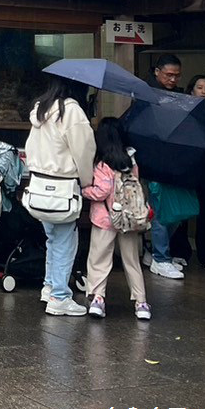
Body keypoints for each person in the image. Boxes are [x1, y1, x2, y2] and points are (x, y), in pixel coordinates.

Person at [24, 75, 95, 317]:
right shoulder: (71, 111)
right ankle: (60, 296)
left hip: (40, 185)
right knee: (66, 242)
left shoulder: (41, 108)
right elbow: (84, 150)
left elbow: (32, 148)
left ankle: (49, 286)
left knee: (52, 240)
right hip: (64, 187)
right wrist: (87, 181)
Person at [82, 118, 151, 320]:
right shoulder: (131, 160)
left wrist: (85, 190)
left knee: (99, 260)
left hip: (105, 219)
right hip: (129, 220)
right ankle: (141, 303)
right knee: (132, 261)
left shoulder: (103, 163)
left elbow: (102, 192)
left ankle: (98, 299)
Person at [167, 74, 205, 272]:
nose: (204, 91)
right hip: (184, 167)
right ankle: (179, 251)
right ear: (191, 90)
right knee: (181, 210)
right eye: (200, 87)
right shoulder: (181, 111)